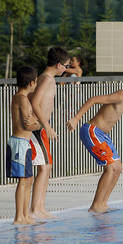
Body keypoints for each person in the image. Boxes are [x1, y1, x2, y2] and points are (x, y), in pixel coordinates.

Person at [66, 68, 123, 213]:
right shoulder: (121, 95)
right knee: (110, 167)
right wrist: (76, 119)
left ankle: (103, 204)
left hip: (103, 135)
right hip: (92, 131)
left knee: (118, 168)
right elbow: (93, 100)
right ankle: (96, 206)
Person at [30, 47, 70, 219]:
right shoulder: (46, 79)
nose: (67, 69)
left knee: (46, 167)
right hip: (39, 128)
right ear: (59, 64)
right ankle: (35, 209)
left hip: (41, 127)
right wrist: (47, 126)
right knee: (45, 167)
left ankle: (40, 207)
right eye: (66, 66)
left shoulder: (46, 78)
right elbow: (35, 103)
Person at [6, 66, 41, 224]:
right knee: (23, 180)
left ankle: (25, 215)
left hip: (23, 143)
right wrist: (39, 125)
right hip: (19, 144)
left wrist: (34, 122)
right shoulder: (23, 99)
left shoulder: (18, 96)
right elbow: (29, 125)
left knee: (29, 179)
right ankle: (19, 217)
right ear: (32, 83)